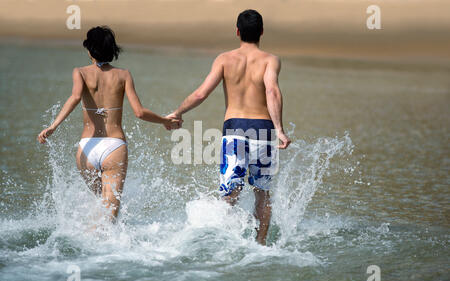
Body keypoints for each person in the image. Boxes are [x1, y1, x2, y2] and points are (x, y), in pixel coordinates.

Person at [168, 10, 291, 245]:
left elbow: (202, 92)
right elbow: (271, 91)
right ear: (262, 32)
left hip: (235, 130)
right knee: (262, 194)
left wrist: (178, 112)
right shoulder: (270, 60)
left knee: (229, 195)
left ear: (237, 31)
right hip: (264, 131)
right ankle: (260, 244)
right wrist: (280, 129)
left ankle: (225, 243)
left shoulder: (224, 59)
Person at [37, 26, 180, 221]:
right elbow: (139, 112)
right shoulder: (123, 75)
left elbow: (75, 97)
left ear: (89, 49)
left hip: (87, 148)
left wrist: (53, 126)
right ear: (112, 49)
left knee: (99, 206)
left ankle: (88, 244)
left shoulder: (80, 72)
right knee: (109, 213)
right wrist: (164, 120)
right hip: (114, 147)